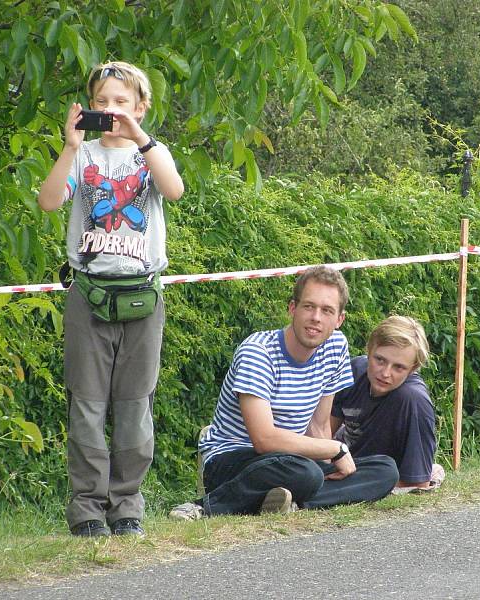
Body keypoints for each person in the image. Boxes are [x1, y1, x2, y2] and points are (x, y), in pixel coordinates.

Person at [38, 61, 184, 537]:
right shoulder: (81, 156)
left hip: (142, 294)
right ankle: (86, 511)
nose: (111, 111)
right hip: (89, 292)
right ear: (88, 107)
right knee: (87, 405)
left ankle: (127, 509)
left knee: (135, 405)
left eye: (121, 102)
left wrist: (142, 138)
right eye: (101, 102)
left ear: (141, 107)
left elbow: (174, 189)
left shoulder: (151, 153)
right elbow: (49, 201)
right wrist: (69, 146)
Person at [168, 266, 399, 520]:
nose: (316, 318)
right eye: (309, 307)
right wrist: (336, 450)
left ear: (339, 320)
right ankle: (204, 506)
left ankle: (288, 501)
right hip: (233, 458)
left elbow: (319, 425)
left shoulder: (335, 347)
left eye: (327, 311)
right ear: (292, 309)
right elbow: (263, 440)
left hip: (291, 460)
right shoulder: (257, 352)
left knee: (385, 470)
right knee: (304, 472)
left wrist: (329, 462)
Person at [331, 316, 444, 492]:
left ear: (413, 368)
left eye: (398, 367)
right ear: (369, 350)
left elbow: (417, 483)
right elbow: (323, 431)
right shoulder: (352, 371)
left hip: (380, 472)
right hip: (342, 458)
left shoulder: (414, 401)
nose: (385, 373)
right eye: (380, 360)